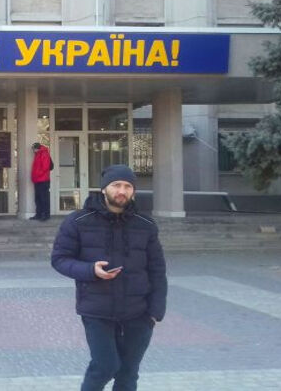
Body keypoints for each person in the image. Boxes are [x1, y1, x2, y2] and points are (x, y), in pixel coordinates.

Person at [51, 164, 167, 391]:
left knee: (128, 373)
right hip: (97, 310)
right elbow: (60, 259)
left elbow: (157, 270)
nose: (122, 191)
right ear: (104, 188)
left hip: (139, 312)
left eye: (128, 186)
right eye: (116, 185)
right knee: (105, 366)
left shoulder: (145, 225)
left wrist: (155, 312)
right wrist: (90, 270)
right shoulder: (78, 221)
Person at [30, 142, 52, 221]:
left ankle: (45, 215)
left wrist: (37, 175)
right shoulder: (38, 154)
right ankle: (38, 214)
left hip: (43, 180)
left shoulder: (44, 154)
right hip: (38, 180)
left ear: (37, 148)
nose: (33, 151)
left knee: (44, 198)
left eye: (34, 149)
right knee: (38, 198)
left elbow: (45, 167)